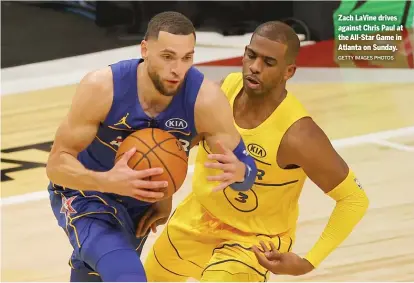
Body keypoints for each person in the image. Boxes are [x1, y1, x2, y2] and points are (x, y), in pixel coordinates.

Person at [143, 21, 370, 282]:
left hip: (253, 243)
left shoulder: (299, 135)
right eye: (251, 55)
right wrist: (163, 191)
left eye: (269, 62)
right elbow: (178, 144)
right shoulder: (223, 91)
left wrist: (309, 261)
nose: (254, 67)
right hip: (197, 217)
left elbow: (354, 199)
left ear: (289, 71)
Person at [46, 11, 257, 282]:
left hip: (139, 204)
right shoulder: (103, 87)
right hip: (87, 192)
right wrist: (108, 181)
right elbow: (56, 165)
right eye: (167, 57)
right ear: (145, 49)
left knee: (98, 272)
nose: (177, 69)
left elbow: (247, 170)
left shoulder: (205, 101)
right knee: (128, 273)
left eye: (187, 58)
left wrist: (239, 173)